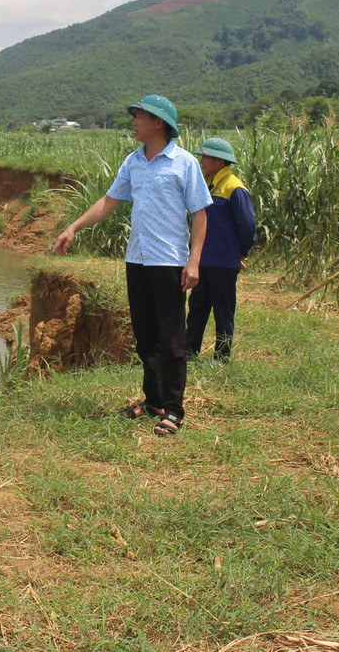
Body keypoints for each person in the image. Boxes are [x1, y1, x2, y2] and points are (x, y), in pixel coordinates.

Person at [54, 95, 212, 436]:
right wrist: (73, 227)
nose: (134, 122)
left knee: (172, 340)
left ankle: (174, 410)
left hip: (169, 262)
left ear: (158, 122)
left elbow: (200, 215)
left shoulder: (184, 163)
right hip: (137, 260)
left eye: (139, 116)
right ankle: (154, 402)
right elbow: (109, 201)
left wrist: (194, 261)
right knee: (145, 338)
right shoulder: (134, 161)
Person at [186, 137, 256, 361]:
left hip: (223, 262)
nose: (202, 161)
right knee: (197, 307)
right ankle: (189, 352)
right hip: (203, 260)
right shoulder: (206, 184)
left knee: (223, 311)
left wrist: (239, 253)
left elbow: (247, 227)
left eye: (206, 157)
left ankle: (222, 357)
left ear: (220, 161)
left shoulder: (234, 188)